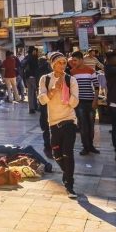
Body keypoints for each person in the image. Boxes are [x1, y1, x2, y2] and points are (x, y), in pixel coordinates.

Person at [38, 52, 79, 198]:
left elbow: (75, 102)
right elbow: (42, 100)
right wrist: (54, 89)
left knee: (68, 153)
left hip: (69, 120)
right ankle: (67, 173)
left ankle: (69, 184)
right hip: (53, 121)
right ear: (53, 64)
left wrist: (64, 91)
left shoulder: (70, 80)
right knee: (57, 154)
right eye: (59, 63)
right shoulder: (45, 79)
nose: (62, 66)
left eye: (64, 63)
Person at [69, 51, 99, 155]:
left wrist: (95, 101)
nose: (73, 62)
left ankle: (90, 146)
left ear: (81, 59)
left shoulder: (91, 71)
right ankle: (85, 147)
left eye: (75, 60)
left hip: (90, 102)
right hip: (79, 103)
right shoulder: (72, 72)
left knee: (91, 125)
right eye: (73, 60)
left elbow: (96, 86)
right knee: (83, 126)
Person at [24, 46, 40, 113]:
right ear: (33, 51)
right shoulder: (34, 58)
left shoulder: (26, 57)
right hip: (34, 77)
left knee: (30, 93)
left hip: (27, 77)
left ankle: (31, 108)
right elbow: (37, 68)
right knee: (39, 92)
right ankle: (39, 106)